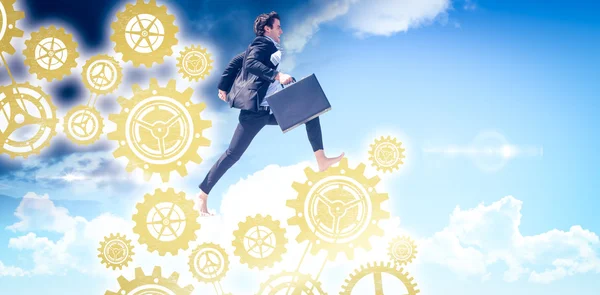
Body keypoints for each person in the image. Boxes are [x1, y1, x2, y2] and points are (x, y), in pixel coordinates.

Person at [196, 11, 344, 216]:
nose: (281, 31)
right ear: (267, 29)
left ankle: (321, 159)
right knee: (233, 154)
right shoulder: (262, 44)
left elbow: (237, 61)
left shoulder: (264, 47)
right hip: (255, 112)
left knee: (311, 111)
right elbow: (249, 64)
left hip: (272, 108)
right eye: (278, 27)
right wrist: (278, 75)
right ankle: (203, 195)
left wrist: (222, 86)